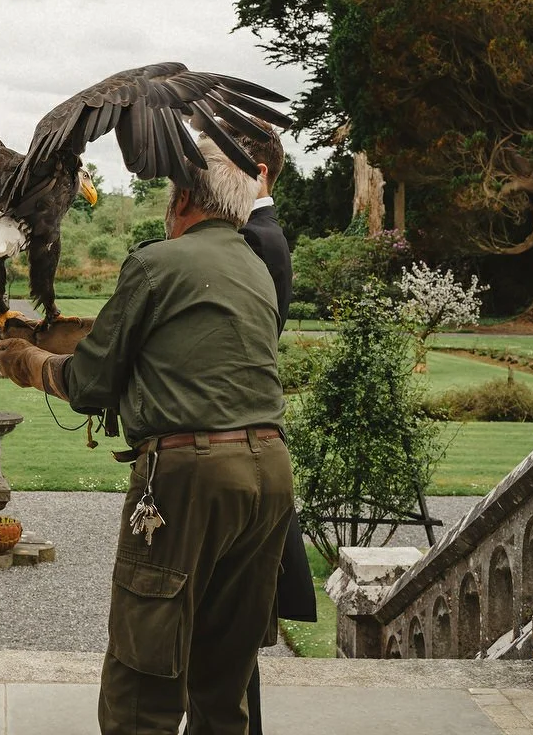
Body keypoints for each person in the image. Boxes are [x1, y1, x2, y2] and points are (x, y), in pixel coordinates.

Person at [0, 137, 294, 735]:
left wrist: (27, 362)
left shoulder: (157, 261)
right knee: (223, 681)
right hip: (270, 474)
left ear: (183, 196)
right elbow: (179, 355)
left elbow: (93, 381)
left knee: (143, 680)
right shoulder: (253, 266)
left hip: (190, 478)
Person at [232, 125, 317, 735]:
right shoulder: (256, 236)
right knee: (230, 638)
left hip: (237, 440)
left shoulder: (256, 241)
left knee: (232, 634)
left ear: (259, 173)